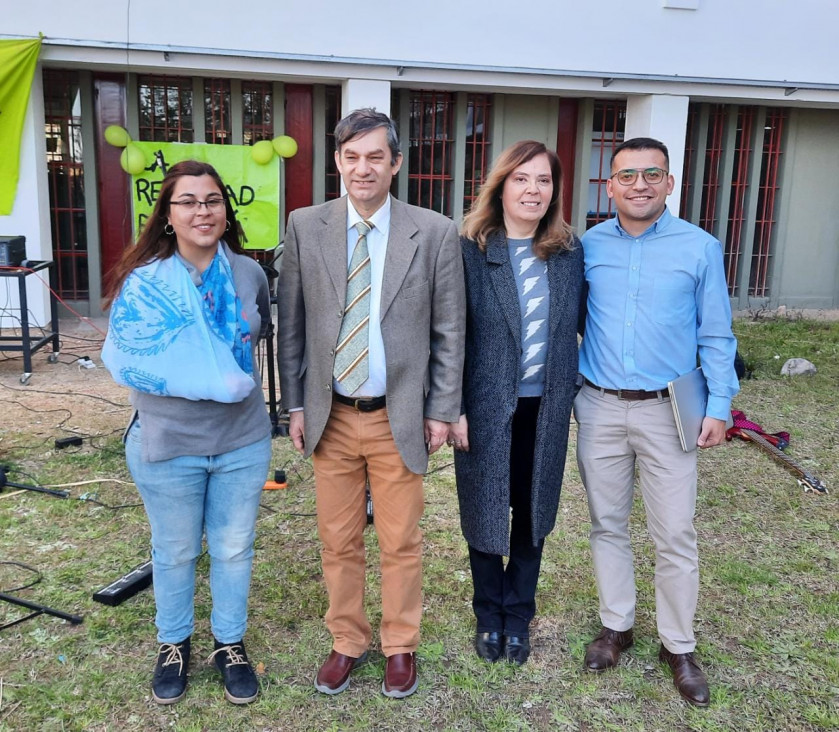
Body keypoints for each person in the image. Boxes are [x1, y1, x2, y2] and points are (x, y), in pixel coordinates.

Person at [277, 108, 465, 698]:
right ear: (338, 161)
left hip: (398, 414)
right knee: (337, 540)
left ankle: (400, 644)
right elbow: (293, 326)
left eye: (375, 157)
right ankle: (347, 640)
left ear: (395, 163)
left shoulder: (433, 232)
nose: (364, 168)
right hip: (330, 414)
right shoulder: (306, 226)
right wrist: (295, 405)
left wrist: (441, 407)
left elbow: (449, 331)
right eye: (352, 157)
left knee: (400, 540)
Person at [575, 137, 739, 706]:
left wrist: (719, 406)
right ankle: (617, 623)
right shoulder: (587, 246)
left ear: (670, 183)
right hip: (597, 405)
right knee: (607, 522)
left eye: (652, 174)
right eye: (627, 175)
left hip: (670, 410)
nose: (639, 184)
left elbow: (716, 333)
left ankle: (678, 643)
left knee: (674, 531)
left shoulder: (699, 248)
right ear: (610, 184)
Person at [102, 160, 272, 706]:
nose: (203, 210)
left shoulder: (250, 275)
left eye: (213, 200)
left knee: (232, 548)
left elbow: (258, 343)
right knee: (174, 552)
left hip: (242, 440)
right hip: (167, 442)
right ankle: (173, 643)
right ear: (168, 216)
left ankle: (230, 643)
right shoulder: (145, 282)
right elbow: (128, 359)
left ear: (226, 210)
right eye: (188, 202)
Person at [449, 140, 585, 666]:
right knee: (485, 509)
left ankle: (518, 614)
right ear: (501, 186)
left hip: (545, 408)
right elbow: (451, 334)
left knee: (532, 512)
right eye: (522, 179)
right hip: (482, 406)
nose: (533, 189)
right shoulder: (471, 249)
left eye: (544, 180)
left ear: (554, 190)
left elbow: (582, 327)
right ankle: (489, 614)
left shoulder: (569, 254)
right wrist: (452, 406)